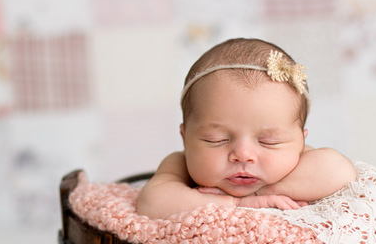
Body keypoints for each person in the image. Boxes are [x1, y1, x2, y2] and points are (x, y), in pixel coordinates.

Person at [136, 38, 357, 219]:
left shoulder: (302, 163)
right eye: (216, 139)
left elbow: (341, 172)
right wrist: (237, 203)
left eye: (268, 141)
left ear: (300, 141)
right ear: (185, 138)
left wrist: (266, 192)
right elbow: (151, 202)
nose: (242, 155)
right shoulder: (180, 164)